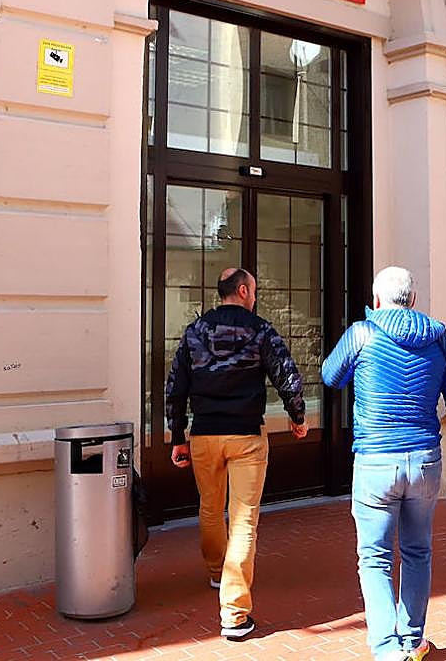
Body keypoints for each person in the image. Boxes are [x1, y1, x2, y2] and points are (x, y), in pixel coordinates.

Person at [321, 266, 446, 661]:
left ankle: (386, 650)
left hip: (376, 460)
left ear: (377, 301)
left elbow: (330, 376)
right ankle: (412, 641)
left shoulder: (362, 333)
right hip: (425, 461)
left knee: (373, 557)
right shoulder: (439, 337)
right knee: (417, 552)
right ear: (413, 300)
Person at [165, 266, 308, 641]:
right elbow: (287, 375)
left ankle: (217, 572)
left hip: (204, 435)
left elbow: (175, 386)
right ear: (243, 291)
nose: (256, 297)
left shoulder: (196, 331)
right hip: (245, 435)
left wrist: (178, 435)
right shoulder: (260, 330)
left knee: (211, 508)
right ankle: (234, 613)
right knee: (244, 520)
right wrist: (298, 417)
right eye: (254, 291)